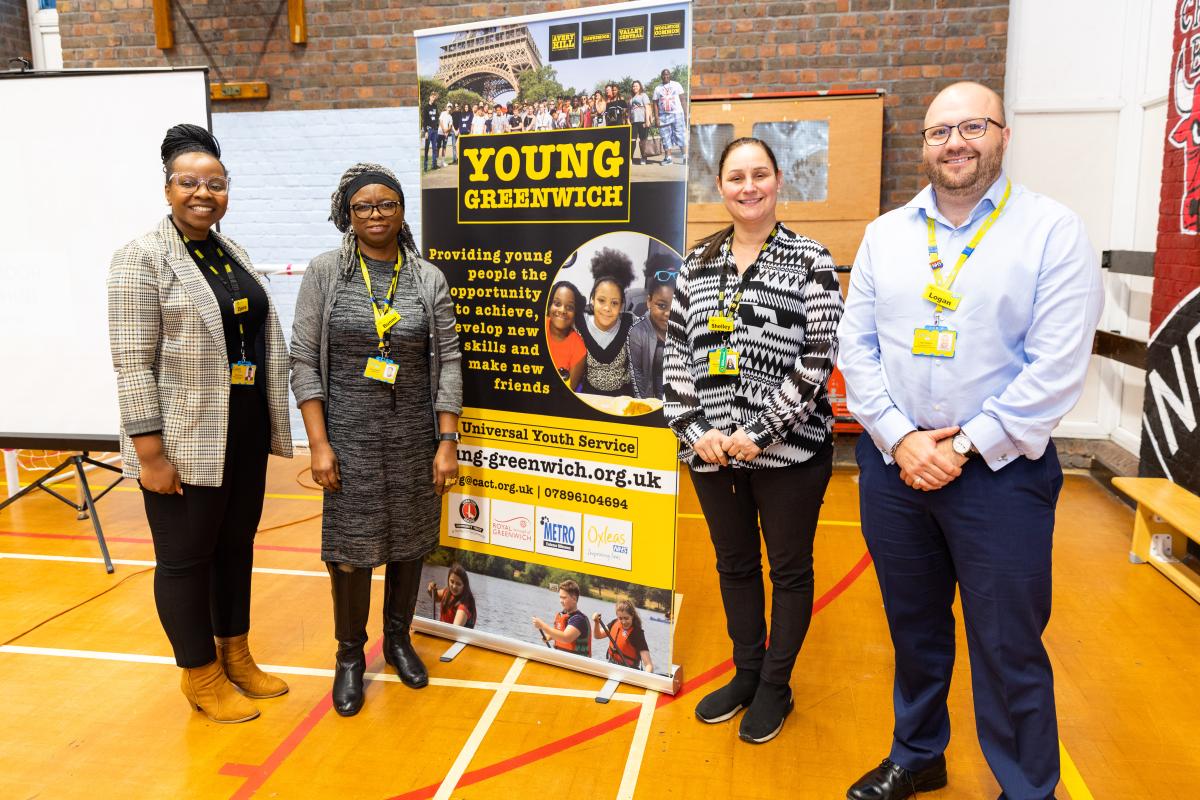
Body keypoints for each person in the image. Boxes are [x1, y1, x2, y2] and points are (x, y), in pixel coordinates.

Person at [837, 82, 1104, 800]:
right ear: (922, 146)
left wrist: (960, 447)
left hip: (1000, 476)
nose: (956, 142)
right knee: (914, 627)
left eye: (973, 127)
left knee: (1007, 644)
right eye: (939, 131)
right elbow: (855, 347)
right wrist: (899, 441)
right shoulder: (887, 235)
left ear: (1004, 135)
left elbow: (1055, 369)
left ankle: (1025, 788)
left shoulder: (1053, 231)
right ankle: (919, 752)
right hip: (896, 469)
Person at [107, 124, 294, 724]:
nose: (203, 193)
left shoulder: (227, 250)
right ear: (168, 189)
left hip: (241, 430)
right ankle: (199, 673)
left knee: (235, 547)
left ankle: (234, 653)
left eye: (215, 184)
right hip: (182, 442)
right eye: (189, 182)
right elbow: (132, 362)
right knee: (186, 559)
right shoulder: (140, 258)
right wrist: (150, 454)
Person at [663, 136, 842, 744]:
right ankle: (745, 671)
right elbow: (675, 360)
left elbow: (817, 361)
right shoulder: (696, 263)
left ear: (777, 182)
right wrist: (696, 431)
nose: (748, 186)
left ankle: (775, 685)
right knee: (735, 565)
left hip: (789, 454)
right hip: (711, 455)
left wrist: (758, 432)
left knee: (789, 571)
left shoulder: (812, 260)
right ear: (721, 187)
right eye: (735, 176)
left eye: (759, 174)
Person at [290, 162, 463, 717]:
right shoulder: (325, 274)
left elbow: (450, 362)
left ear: (402, 210)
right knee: (351, 552)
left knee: (412, 543)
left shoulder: (426, 278)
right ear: (347, 214)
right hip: (349, 437)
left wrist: (446, 439)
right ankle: (349, 657)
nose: (376, 215)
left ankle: (397, 640)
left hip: (414, 435)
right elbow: (303, 362)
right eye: (363, 206)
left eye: (386, 204)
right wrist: (319, 443)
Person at [576, 248, 636, 397]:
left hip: (622, 398)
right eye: (601, 300)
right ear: (592, 299)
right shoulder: (579, 323)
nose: (607, 308)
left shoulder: (631, 322)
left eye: (614, 303)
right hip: (589, 397)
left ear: (622, 305)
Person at [629, 267, 674, 400]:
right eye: (662, 305)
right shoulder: (637, 331)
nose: (668, 314)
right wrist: (647, 409)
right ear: (649, 301)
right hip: (649, 401)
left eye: (675, 306)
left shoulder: (684, 329)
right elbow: (637, 376)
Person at [532, 580, 591, 656]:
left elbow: (566, 638)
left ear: (574, 599)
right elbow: (560, 633)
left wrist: (543, 626)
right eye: (560, 597)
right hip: (562, 659)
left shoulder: (579, 619)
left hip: (576, 663)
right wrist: (550, 636)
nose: (561, 601)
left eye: (564, 598)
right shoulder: (562, 615)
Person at [546, 280, 587, 390]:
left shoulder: (579, 348)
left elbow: (566, 393)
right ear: (549, 305)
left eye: (569, 307)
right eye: (557, 304)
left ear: (575, 313)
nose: (562, 310)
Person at [592, 600, 653, 671]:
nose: (623, 622)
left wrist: (645, 677)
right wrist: (596, 622)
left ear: (632, 615)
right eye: (620, 618)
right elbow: (598, 635)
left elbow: (648, 665)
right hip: (611, 665)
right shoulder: (614, 623)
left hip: (629, 671)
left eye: (626, 618)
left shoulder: (637, 634)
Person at [653, 69, 687, 165]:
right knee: (665, 137)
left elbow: (683, 100)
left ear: (670, 75)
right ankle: (668, 158)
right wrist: (656, 118)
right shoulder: (657, 88)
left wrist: (685, 114)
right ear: (661, 76)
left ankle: (685, 157)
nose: (665, 76)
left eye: (667, 74)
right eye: (663, 75)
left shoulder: (677, 85)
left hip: (677, 114)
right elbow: (655, 104)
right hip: (663, 115)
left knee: (680, 135)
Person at [428, 563, 477, 628]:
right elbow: (435, 597)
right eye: (452, 581)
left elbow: (454, 631)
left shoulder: (463, 607)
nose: (454, 586)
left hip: (452, 636)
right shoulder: (447, 592)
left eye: (458, 584)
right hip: (442, 633)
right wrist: (431, 590)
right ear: (448, 579)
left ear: (464, 586)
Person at [629, 80, 655, 164]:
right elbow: (630, 111)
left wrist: (647, 120)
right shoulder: (631, 98)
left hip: (643, 121)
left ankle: (643, 157)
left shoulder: (643, 95)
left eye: (636, 86)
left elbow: (647, 108)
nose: (635, 87)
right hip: (634, 122)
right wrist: (628, 121)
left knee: (643, 140)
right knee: (632, 140)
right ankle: (630, 158)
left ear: (640, 86)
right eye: (633, 86)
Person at [422, 91, 440, 171]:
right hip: (428, 130)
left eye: (434, 97)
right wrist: (425, 131)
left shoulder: (435, 106)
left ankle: (434, 165)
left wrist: (437, 126)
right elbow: (424, 120)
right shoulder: (426, 107)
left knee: (434, 148)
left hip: (435, 130)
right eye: (432, 97)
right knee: (426, 148)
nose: (433, 99)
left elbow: (436, 117)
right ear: (430, 97)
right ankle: (425, 166)